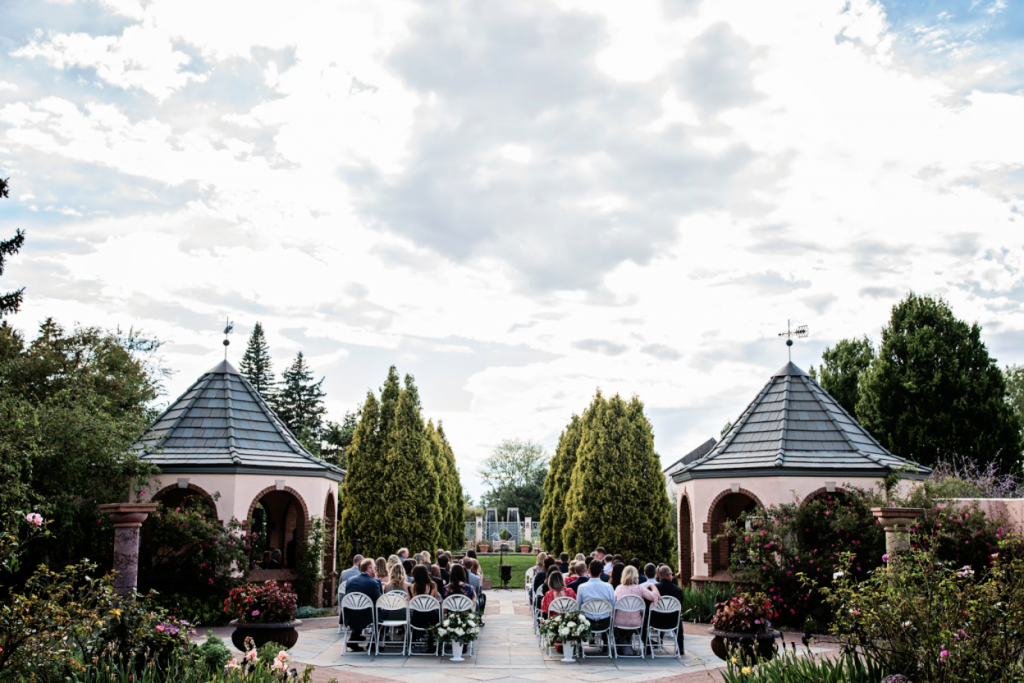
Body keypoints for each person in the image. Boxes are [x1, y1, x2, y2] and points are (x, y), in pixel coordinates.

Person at [613, 565, 659, 655]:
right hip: (636, 623)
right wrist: (653, 586)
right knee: (643, 618)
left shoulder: (618, 588)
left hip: (619, 623)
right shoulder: (640, 588)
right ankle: (630, 643)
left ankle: (623, 643)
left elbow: (613, 602)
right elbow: (655, 597)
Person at [342, 558, 381, 652]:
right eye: (374, 568)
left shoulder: (350, 580)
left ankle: (354, 639)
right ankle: (373, 643)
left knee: (360, 610)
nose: (375, 570)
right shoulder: (373, 582)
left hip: (349, 614)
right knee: (383, 614)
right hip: (366, 616)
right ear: (369, 569)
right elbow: (379, 601)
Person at [576, 560, 616, 640]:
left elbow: (578, 607)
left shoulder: (582, 587)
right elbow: (613, 606)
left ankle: (580, 646)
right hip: (605, 623)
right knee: (608, 614)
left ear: (589, 570)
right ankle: (606, 643)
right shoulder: (609, 587)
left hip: (587, 622)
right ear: (601, 571)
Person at [407, 564, 440, 652]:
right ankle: (433, 642)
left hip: (417, 619)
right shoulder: (433, 585)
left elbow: (410, 603)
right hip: (432, 619)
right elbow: (435, 600)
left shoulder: (410, 587)